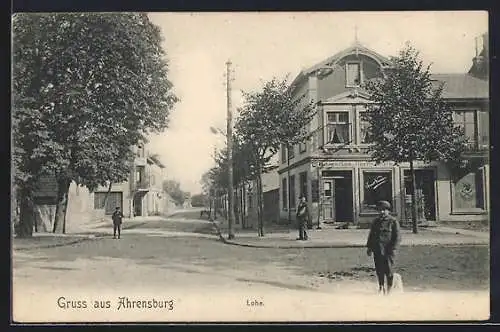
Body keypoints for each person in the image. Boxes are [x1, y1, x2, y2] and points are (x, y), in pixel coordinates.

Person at [366, 200, 401, 295]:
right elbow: (372, 235)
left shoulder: (393, 221)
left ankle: (389, 289)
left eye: (384, 210)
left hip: (388, 250)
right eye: (380, 210)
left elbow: (397, 237)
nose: (381, 212)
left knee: (389, 270)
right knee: (379, 269)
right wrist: (369, 247)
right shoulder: (376, 222)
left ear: (388, 211)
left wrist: (393, 248)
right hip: (377, 249)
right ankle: (381, 287)